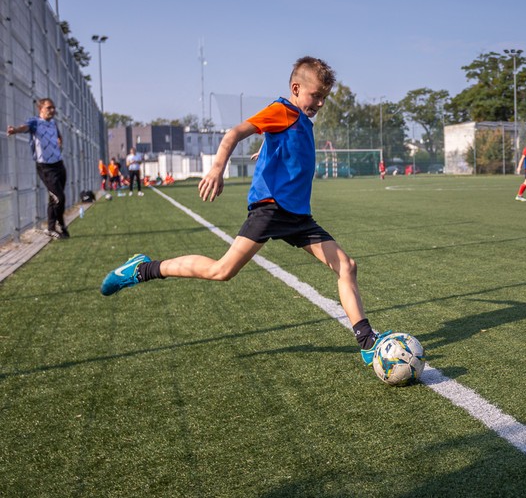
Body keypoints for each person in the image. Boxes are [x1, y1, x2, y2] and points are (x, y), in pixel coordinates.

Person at [101, 56, 387, 365]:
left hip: (298, 217)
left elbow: (282, 143)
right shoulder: (283, 110)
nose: (319, 102)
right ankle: (142, 269)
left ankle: (367, 340)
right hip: (270, 210)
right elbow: (233, 133)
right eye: (315, 95)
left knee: (347, 265)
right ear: (295, 87)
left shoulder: (301, 120)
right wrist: (216, 170)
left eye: (323, 98)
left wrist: (266, 150)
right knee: (221, 270)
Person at [7, 98, 70, 239]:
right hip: (45, 167)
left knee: (54, 198)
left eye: (53, 107)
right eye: (49, 108)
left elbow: (59, 136)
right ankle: (60, 224)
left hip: (59, 164)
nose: (52, 110)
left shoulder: (53, 123)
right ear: (40, 109)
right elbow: (25, 128)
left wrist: (60, 143)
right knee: (59, 198)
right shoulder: (35, 122)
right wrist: (15, 130)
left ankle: (51, 228)